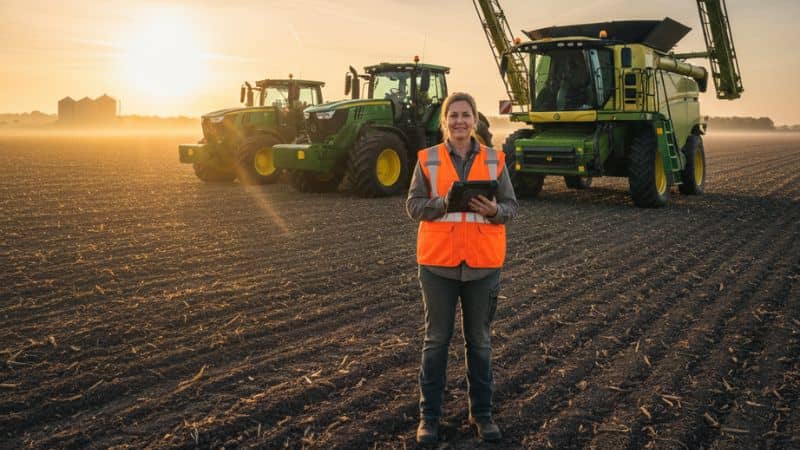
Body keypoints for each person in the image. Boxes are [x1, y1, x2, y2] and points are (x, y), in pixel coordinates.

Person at [406, 92, 518, 445]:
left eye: (465, 115)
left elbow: (512, 206)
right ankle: (429, 419)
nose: (459, 121)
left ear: (474, 119)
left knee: (480, 343)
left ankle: (482, 415)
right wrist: (441, 203)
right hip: (438, 265)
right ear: (444, 121)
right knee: (436, 342)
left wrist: (493, 212)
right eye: (453, 115)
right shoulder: (428, 160)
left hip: (482, 266)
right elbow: (412, 206)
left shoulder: (494, 160)